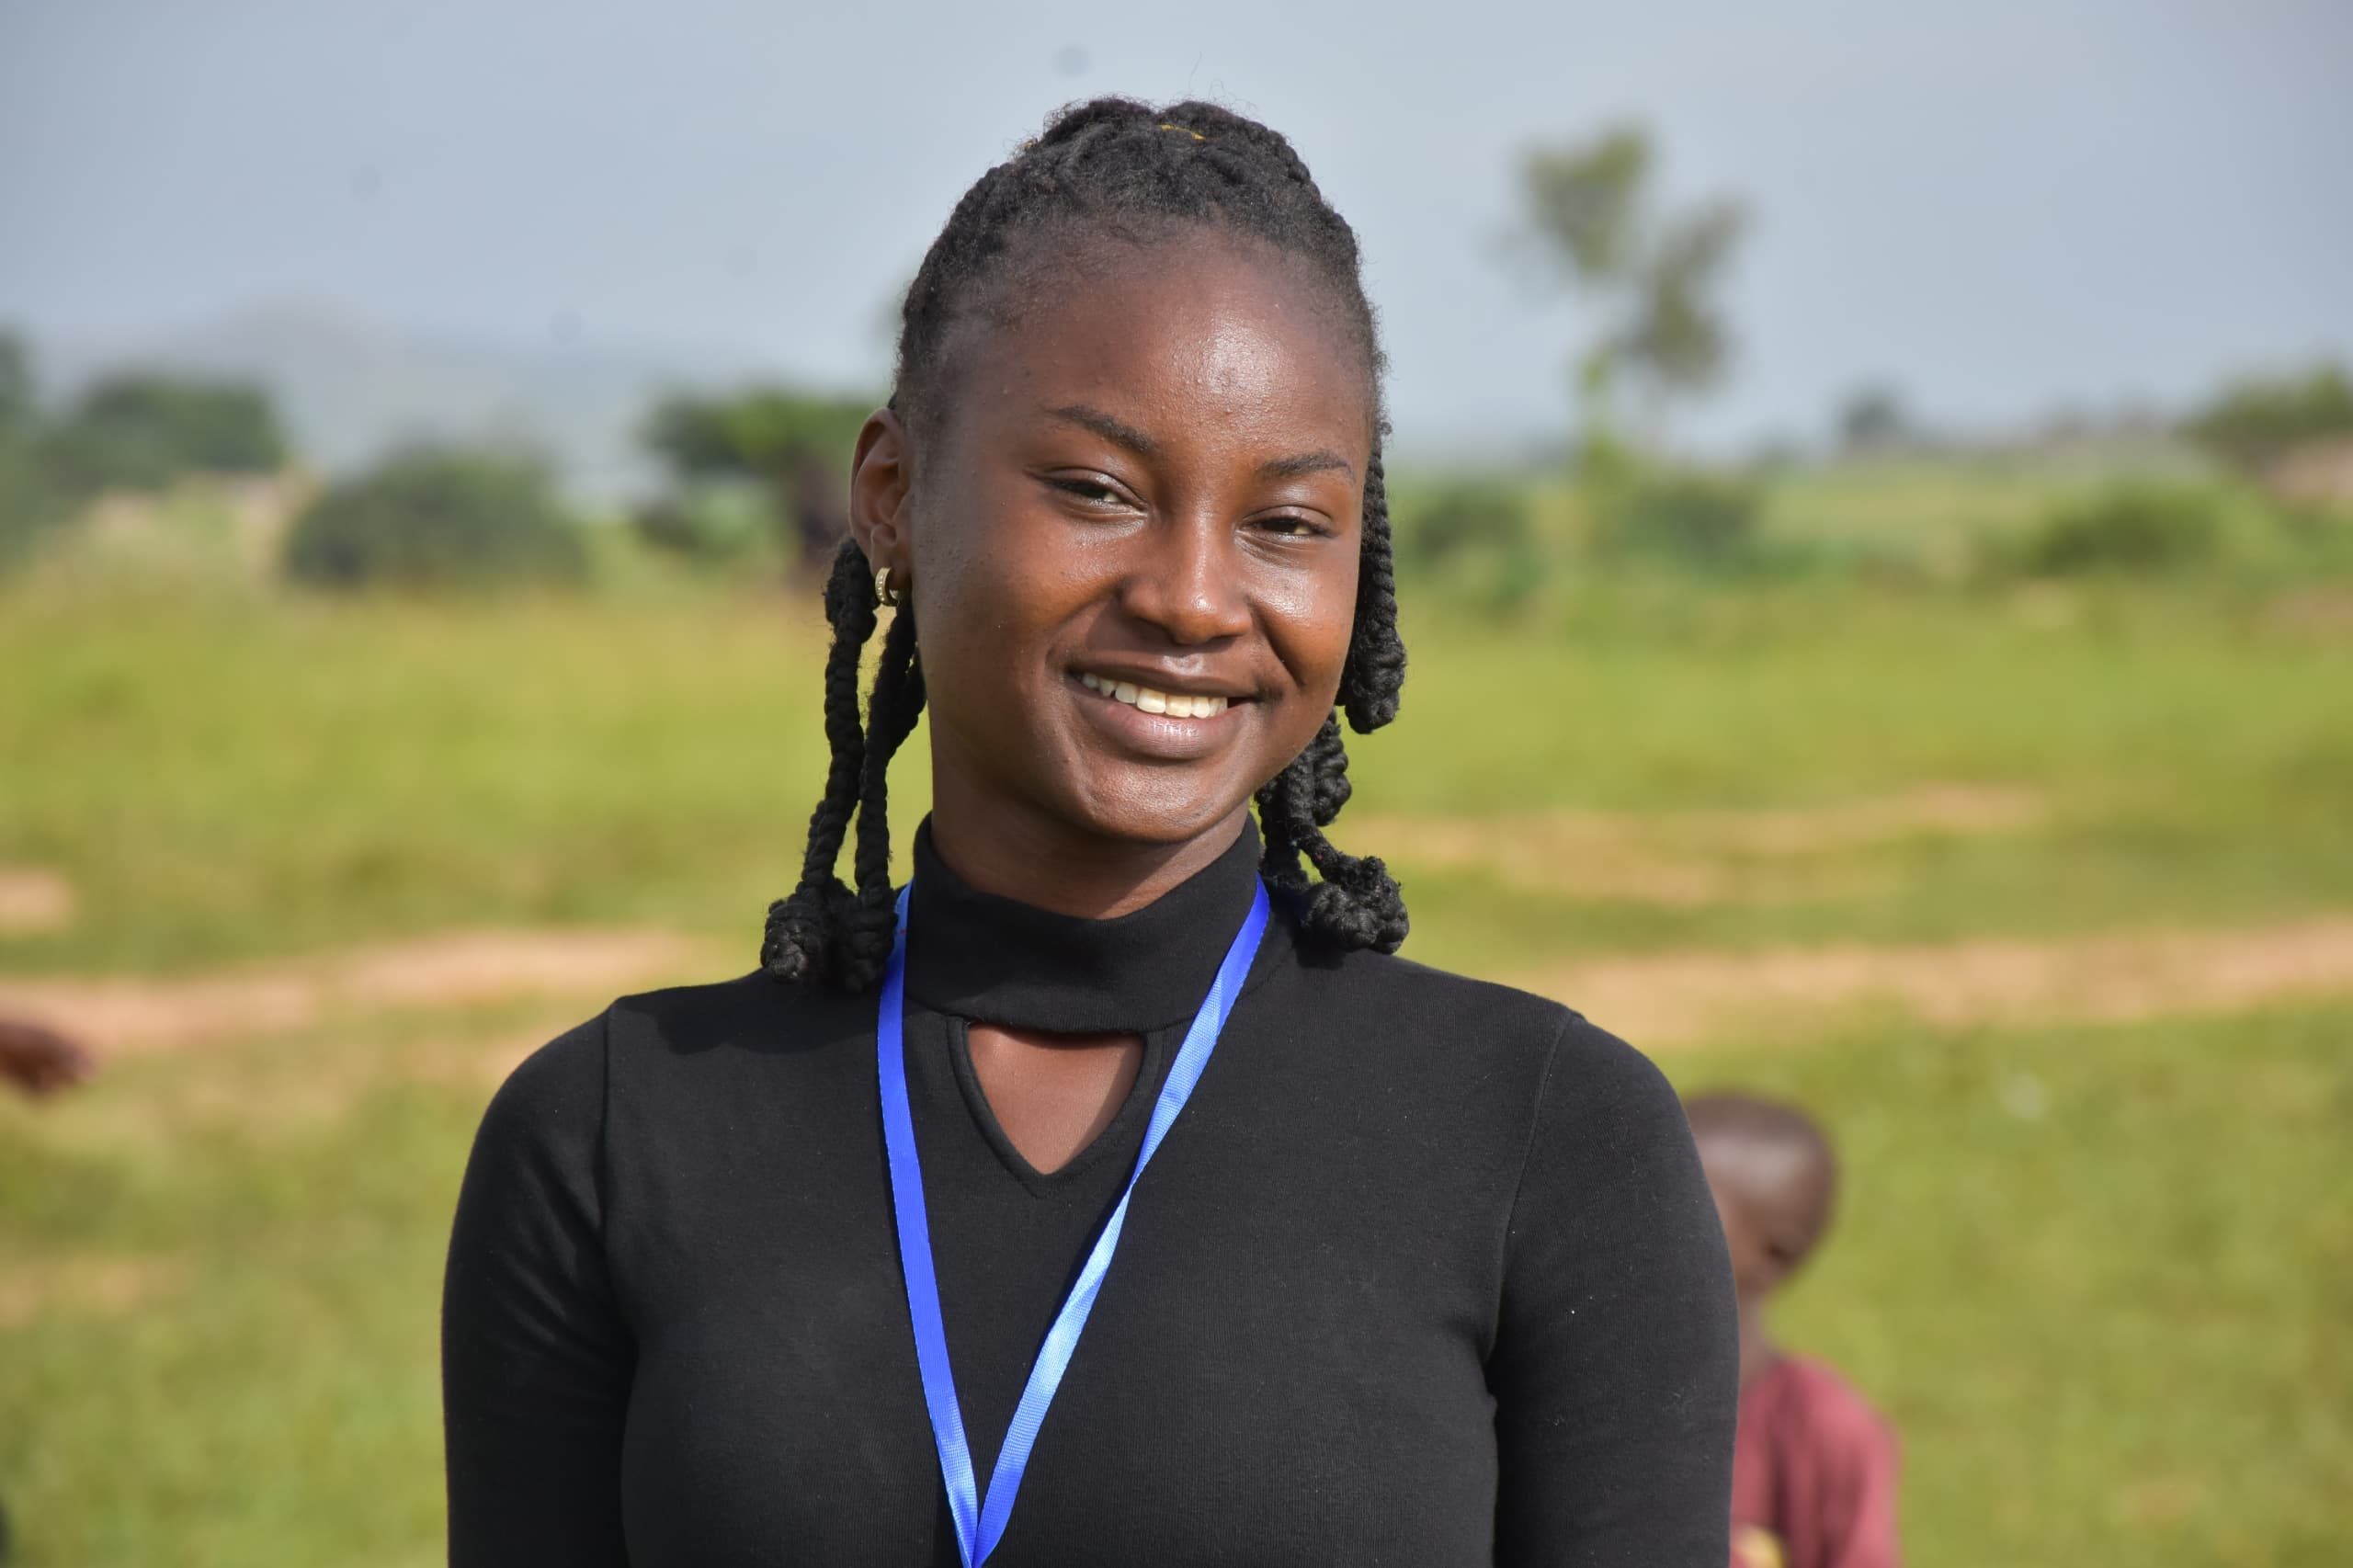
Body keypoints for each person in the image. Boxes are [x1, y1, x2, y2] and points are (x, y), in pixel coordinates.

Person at [441, 97, 1737, 1567]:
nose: (1193, 596)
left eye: (1288, 523)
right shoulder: (613, 1136)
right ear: (891, 497)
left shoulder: (1548, 1140)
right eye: (1098, 492)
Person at [1684, 1092, 1901, 1568]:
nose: (1639, 1218)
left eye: (1681, 1201)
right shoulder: (1559, 1392)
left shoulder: (1825, 1433)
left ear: (1772, 1256)